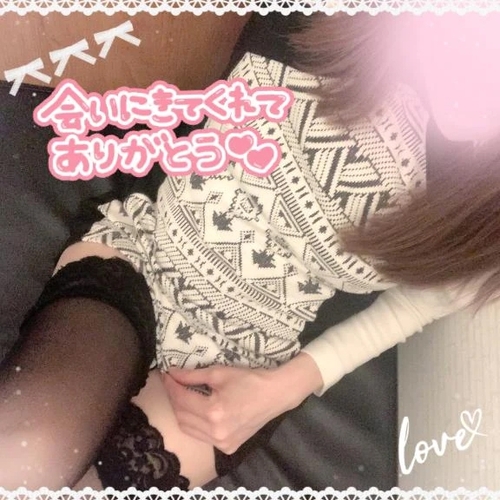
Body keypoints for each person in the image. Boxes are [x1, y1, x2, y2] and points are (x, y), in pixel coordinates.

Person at [1, 11, 499, 490]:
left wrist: (286, 388)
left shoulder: (485, 203)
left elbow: (427, 299)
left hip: (245, 360)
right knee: (29, 453)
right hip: (147, 246)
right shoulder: (348, 22)